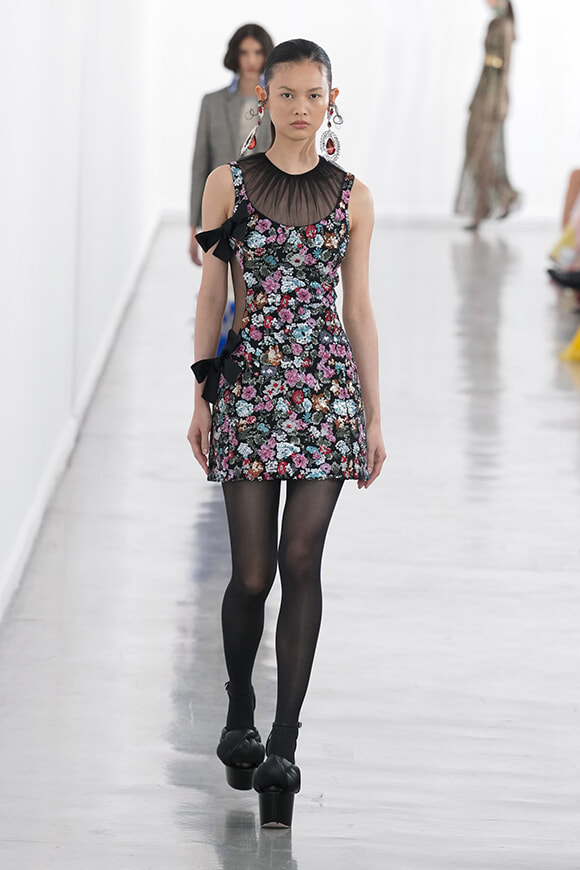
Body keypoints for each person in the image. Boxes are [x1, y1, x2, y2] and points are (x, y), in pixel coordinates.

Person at [186, 38, 386, 828]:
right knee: (252, 574)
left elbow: (357, 310)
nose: (301, 108)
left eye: (314, 95)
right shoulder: (227, 184)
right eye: (288, 94)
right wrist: (201, 395)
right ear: (262, 98)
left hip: (326, 398)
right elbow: (212, 296)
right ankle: (239, 706)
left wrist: (373, 414)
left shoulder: (354, 197)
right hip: (248, 389)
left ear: (332, 101)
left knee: (303, 560)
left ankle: (283, 746)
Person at [188, 24, 274, 266]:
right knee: (219, 283)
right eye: (244, 52)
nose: (251, 60)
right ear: (235, 54)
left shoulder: (278, 104)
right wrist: (193, 226)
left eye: (258, 52)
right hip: (220, 210)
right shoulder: (212, 103)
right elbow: (200, 165)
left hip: (266, 211)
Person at [455, 0, 520, 230]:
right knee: (474, 149)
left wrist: (501, 102)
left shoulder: (506, 26)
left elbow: (506, 68)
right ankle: (494, 202)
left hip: (493, 97)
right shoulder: (493, 23)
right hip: (483, 92)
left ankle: (495, 202)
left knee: (485, 152)